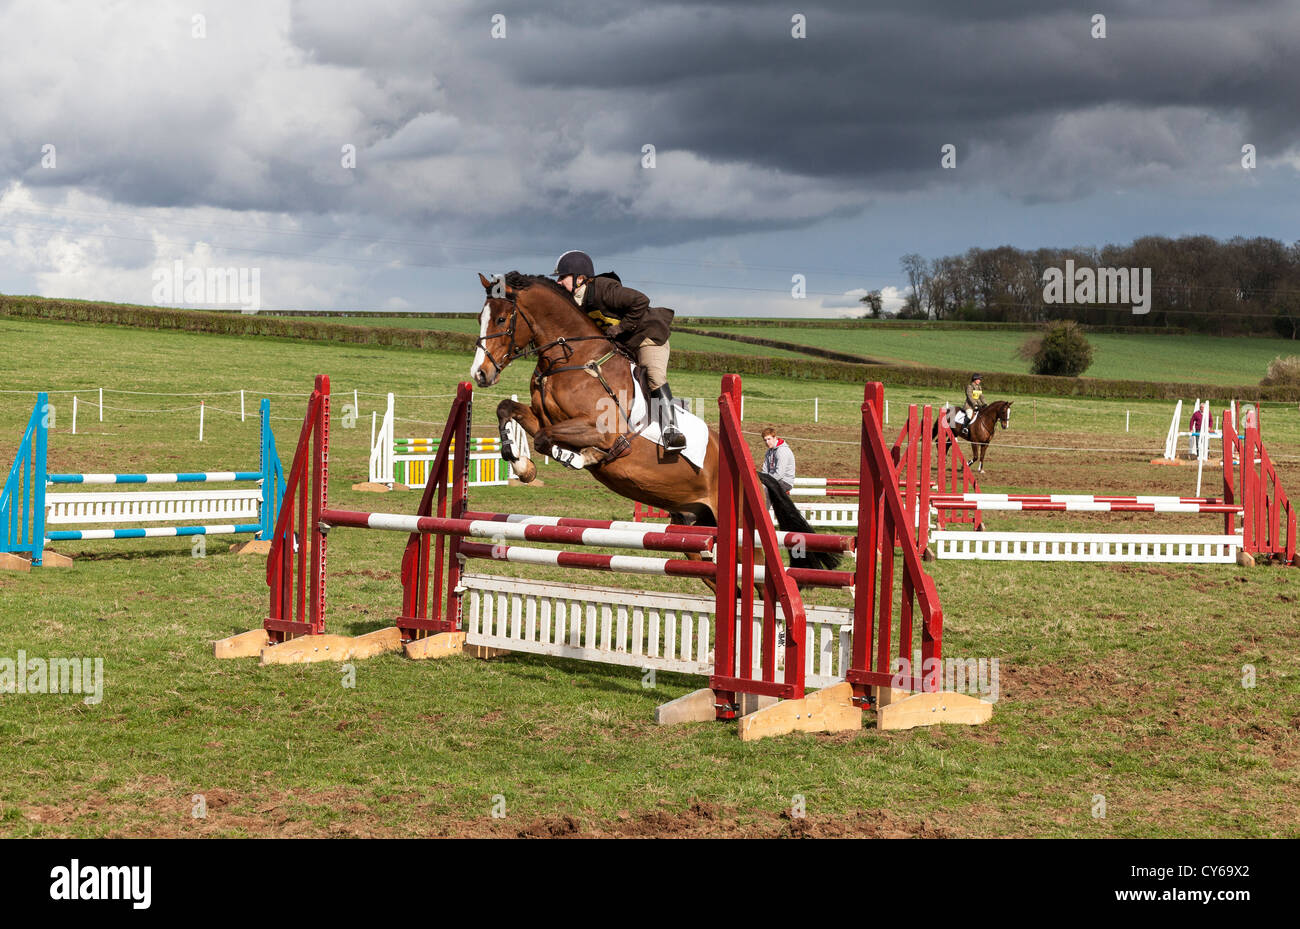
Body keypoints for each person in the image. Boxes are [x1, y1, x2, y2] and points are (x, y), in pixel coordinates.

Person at [552, 250, 685, 452]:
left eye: (563, 277)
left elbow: (641, 301)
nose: (559, 282)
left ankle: (671, 430)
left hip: (648, 336)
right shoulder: (577, 303)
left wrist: (621, 328)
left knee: (653, 374)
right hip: (624, 345)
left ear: (580, 278)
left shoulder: (604, 289)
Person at [759, 427, 795, 507]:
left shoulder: (782, 451)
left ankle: (764, 514)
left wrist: (766, 481)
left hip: (785, 481)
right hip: (773, 479)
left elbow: (779, 474)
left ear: (775, 438)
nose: (767, 442)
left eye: (769, 439)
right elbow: (765, 470)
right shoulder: (769, 451)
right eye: (765, 440)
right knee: (758, 486)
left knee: (766, 489)